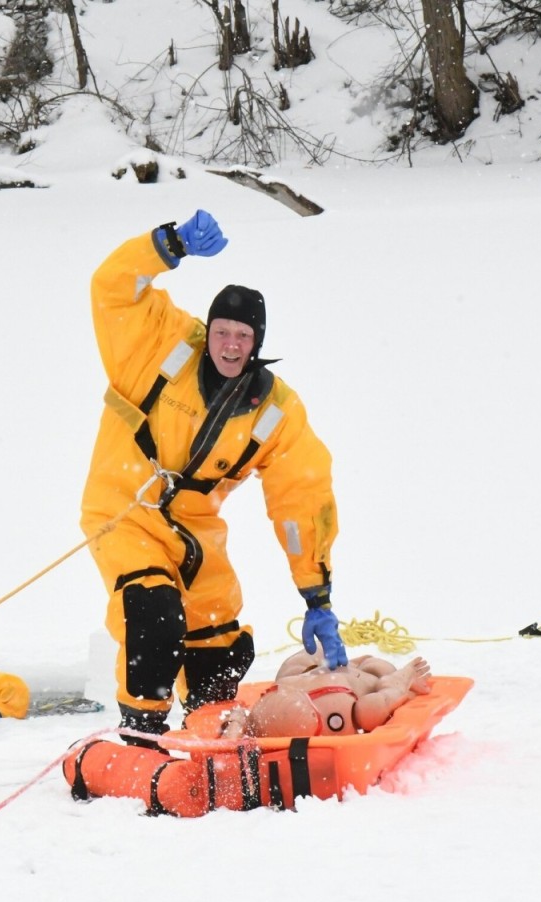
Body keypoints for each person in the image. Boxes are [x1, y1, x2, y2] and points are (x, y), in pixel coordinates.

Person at [81, 209, 348, 747]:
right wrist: (168, 244)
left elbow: (302, 497)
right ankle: (142, 737)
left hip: (195, 533)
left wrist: (315, 594)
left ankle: (210, 733)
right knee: (153, 613)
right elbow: (112, 288)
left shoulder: (276, 410)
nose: (229, 345)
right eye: (221, 331)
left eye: (241, 336)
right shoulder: (160, 342)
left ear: (256, 342)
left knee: (220, 641)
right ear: (209, 332)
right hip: (125, 510)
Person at [220, 652, 433, 739]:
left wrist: (237, 722)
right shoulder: (370, 676)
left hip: (279, 698)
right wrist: (401, 680)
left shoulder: (297, 677)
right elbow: (377, 703)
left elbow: (240, 715)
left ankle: (239, 726)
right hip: (328, 705)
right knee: (376, 696)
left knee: (252, 722)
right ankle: (395, 679)